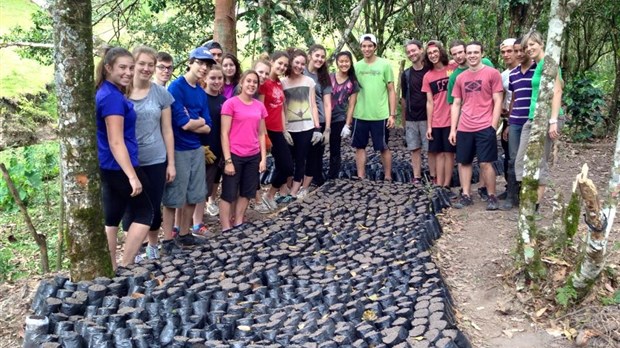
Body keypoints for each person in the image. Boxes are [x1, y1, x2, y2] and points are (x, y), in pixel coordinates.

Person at [95, 47, 151, 269]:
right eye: (122, 68)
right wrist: (132, 176)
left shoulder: (109, 92)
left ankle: (111, 267)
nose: (128, 72)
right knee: (146, 211)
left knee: (112, 217)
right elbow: (115, 140)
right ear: (108, 68)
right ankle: (126, 264)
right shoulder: (111, 98)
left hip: (110, 164)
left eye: (130, 67)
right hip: (119, 165)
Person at [122, 46, 176, 261]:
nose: (146, 68)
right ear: (133, 64)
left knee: (153, 205)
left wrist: (171, 163)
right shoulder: (121, 92)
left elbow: (167, 129)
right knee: (130, 207)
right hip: (127, 160)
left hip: (155, 158)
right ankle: (132, 250)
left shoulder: (161, 93)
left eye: (150, 65)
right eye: (142, 63)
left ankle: (153, 245)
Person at [161, 47, 214, 252]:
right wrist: (196, 121)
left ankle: (184, 235)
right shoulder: (176, 87)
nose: (203, 68)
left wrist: (196, 121)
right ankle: (167, 240)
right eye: (200, 63)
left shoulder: (201, 92)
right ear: (190, 62)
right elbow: (182, 123)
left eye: (207, 65)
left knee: (194, 194)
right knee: (174, 197)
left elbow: (208, 125)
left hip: (196, 148)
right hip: (178, 148)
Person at [449, 41, 503, 210]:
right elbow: (456, 104)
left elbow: (498, 100)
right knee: (464, 162)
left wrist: (493, 126)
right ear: (465, 54)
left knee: (486, 162)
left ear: (482, 53)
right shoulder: (460, 78)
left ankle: (492, 195)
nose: (472, 55)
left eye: (475, 52)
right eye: (469, 52)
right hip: (465, 127)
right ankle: (466, 195)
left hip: (484, 126)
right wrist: (453, 129)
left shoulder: (492, 74)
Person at [514, 31, 564, 213]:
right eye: (526, 46)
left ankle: (533, 208)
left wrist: (553, 121)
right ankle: (527, 201)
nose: (529, 49)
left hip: (547, 117)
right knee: (521, 161)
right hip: (532, 117)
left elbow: (557, 92)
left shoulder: (549, 63)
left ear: (542, 44)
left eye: (532, 44)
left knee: (539, 160)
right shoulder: (537, 65)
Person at [343, 34, 396, 181]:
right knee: (360, 147)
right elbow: (351, 90)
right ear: (360, 48)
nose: (367, 49)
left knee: (383, 147)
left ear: (375, 47)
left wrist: (392, 114)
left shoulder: (384, 65)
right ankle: (361, 176)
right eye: (364, 46)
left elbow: (391, 89)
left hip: (380, 114)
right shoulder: (357, 66)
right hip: (360, 114)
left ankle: (387, 176)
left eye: (370, 46)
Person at [219, 70, 268, 231]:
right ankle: (226, 227)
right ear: (241, 82)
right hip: (234, 154)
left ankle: (238, 221)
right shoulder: (230, 104)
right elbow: (224, 133)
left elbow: (261, 133)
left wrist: (263, 158)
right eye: (249, 81)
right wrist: (228, 161)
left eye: (255, 82)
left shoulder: (259, 106)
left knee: (247, 191)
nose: (252, 85)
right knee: (229, 193)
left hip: (253, 155)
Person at [255, 51, 294, 210]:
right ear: (272, 62)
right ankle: (258, 200)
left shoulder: (279, 83)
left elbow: (281, 109)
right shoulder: (263, 84)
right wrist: (264, 135)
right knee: (257, 165)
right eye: (279, 63)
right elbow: (260, 111)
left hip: (278, 130)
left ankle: (270, 194)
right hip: (266, 130)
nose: (282, 67)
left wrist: (285, 130)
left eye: (285, 65)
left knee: (286, 166)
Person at [282, 48, 321, 199]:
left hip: (307, 127)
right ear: (291, 62)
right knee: (288, 160)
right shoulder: (283, 83)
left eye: (303, 63)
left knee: (301, 159)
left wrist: (317, 127)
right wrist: (284, 128)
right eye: (297, 62)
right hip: (289, 127)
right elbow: (283, 107)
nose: (299, 66)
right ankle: (286, 187)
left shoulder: (309, 81)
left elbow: (313, 105)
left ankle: (294, 192)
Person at [191, 66, 226, 229]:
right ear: (205, 79)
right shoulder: (199, 97)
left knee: (207, 187)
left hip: (217, 151)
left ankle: (199, 219)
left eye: (220, 78)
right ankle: (196, 222)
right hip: (199, 149)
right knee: (198, 188)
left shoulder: (223, 101)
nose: (216, 81)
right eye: (213, 78)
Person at [422, 40, 457, 196]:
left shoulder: (452, 68)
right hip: (437, 119)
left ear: (441, 52)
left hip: (452, 119)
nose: (433, 55)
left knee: (449, 153)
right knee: (438, 153)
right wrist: (429, 126)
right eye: (429, 53)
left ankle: (447, 185)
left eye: (435, 52)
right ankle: (439, 184)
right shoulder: (428, 76)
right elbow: (429, 102)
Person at [400, 39, 430, 185]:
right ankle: (417, 177)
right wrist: (404, 121)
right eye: (409, 52)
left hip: (428, 117)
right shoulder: (406, 74)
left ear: (421, 50)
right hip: (412, 117)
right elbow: (404, 98)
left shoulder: (430, 71)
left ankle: (433, 176)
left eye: (414, 50)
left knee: (430, 149)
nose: (411, 54)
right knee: (414, 148)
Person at [304, 44, 332, 189]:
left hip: (318, 120)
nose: (320, 59)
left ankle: (314, 184)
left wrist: (327, 128)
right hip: (301, 120)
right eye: (317, 56)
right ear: (309, 56)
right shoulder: (300, 71)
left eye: (322, 57)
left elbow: (327, 104)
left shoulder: (324, 77)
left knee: (316, 155)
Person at [330, 51, 360, 179]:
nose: (344, 64)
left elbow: (352, 105)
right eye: (341, 61)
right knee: (316, 148)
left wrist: (347, 125)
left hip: (339, 118)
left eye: (346, 61)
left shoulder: (352, 82)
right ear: (337, 63)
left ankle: (333, 176)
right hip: (323, 117)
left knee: (335, 148)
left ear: (350, 63)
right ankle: (314, 176)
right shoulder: (329, 77)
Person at [498, 38, 518, 199]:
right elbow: (504, 97)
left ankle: (522, 189)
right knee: (508, 155)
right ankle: (510, 187)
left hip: (522, 119)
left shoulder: (529, 70)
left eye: (509, 51)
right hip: (508, 120)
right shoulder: (503, 75)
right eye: (503, 52)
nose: (506, 55)